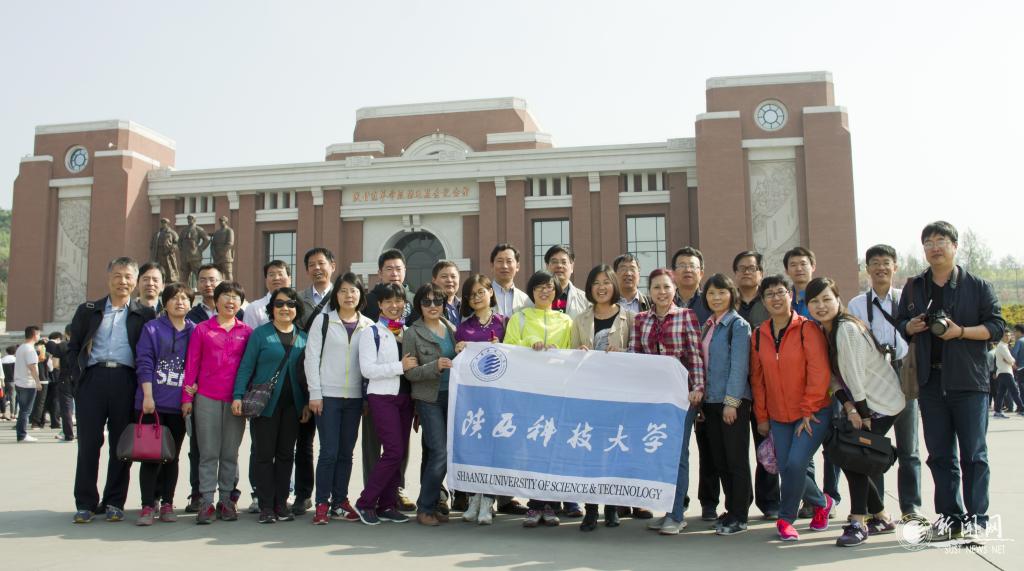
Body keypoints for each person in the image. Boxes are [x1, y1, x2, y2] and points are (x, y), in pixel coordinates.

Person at [896, 221, 1004, 541]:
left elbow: (996, 327)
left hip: (969, 382)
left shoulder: (978, 286)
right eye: (928, 242)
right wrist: (910, 326)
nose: (934, 247)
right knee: (940, 456)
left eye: (940, 240)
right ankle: (949, 520)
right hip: (930, 382)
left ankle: (977, 520)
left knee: (974, 455)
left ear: (955, 246)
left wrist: (961, 332)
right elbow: (901, 324)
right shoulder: (914, 287)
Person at [806, 277, 906, 546]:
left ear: (838, 300)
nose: (821, 305)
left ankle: (858, 522)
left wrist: (862, 414)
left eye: (826, 299)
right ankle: (881, 517)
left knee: (854, 459)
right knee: (851, 457)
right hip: (863, 404)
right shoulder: (825, 331)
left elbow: (856, 377)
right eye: (814, 301)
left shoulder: (846, 329)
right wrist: (850, 406)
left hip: (880, 404)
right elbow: (833, 378)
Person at [67, 257, 157, 523]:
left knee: (121, 444)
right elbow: (73, 347)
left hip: (126, 381)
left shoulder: (143, 314)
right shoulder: (89, 310)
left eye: (128, 277)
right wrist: (77, 378)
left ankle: (114, 502)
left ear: (135, 281)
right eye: (117, 275)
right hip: (93, 380)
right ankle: (85, 503)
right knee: (89, 443)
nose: (123, 281)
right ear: (108, 278)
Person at [749, 274, 834, 542]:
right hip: (778, 415)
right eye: (769, 294)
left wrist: (808, 410)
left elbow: (819, 373)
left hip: (813, 412)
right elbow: (758, 380)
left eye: (780, 292)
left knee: (796, 464)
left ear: (790, 295)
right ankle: (822, 502)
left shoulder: (808, 329)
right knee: (785, 467)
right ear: (763, 301)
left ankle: (786, 519)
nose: (775, 298)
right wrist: (762, 416)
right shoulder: (759, 335)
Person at [847, 245, 923, 519]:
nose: (881, 267)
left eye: (886, 262)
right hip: (874, 379)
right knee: (872, 447)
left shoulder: (909, 300)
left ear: (895, 266)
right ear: (867, 268)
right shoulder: (857, 305)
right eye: (875, 263)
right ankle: (875, 509)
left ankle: (911, 508)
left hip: (904, 374)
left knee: (909, 449)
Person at [632, 268, 705, 536]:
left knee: (678, 455)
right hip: (652, 399)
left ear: (674, 290)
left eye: (666, 287)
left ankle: (677, 514)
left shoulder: (686, 316)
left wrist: (698, 387)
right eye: (656, 287)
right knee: (659, 454)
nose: (662, 292)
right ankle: (665, 510)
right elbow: (634, 357)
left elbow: (695, 355)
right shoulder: (641, 320)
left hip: (681, 397)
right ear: (649, 291)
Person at [233, 287, 310, 524]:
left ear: (297, 308)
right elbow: (246, 366)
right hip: (265, 405)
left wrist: (307, 403)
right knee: (264, 455)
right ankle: (266, 505)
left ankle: (281, 503)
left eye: (290, 304)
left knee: (286, 455)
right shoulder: (260, 334)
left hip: (293, 407)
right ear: (272, 309)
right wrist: (237, 395)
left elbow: (308, 374)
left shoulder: (304, 337)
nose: (285, 308)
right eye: (279, 304)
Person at [505, 270, 575, 527]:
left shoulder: (566, 321)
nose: (545, 291)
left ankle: (551, 505)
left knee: (554, 448)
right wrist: (530, 343)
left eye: (549, 287)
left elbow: (571, 353)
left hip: (556, 393)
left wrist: (559, 354)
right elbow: (509, 348)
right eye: (539, 287)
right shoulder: (519, 318)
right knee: (531, 449)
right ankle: (534, 505)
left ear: (556, 291)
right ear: (531, 291)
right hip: (528, 393)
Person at [569, 264, 637, 531]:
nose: (601, 287)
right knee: (590, 453)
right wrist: (579, 352)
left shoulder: (630, 318)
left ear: (614, 285)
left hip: (618, 396)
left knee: (613, 450)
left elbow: (639, 353)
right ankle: (590, 509)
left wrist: (622, 353)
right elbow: (570, 357)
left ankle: (611, 507)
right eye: (596, 283)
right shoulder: (580, 319)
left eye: (606, 282)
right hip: (589, 395)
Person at [181, 281, 253, 524]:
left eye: (236, 297)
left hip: (235, 401)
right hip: (206, 398)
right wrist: (187, 398)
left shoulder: (247, 332)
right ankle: (206, 502)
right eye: (226, 296)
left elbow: (248, 367)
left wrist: (243, 396)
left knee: (230, 453)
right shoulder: (202, 329)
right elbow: (192, 365)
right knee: (208, 452)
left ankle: (226, 500)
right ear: (216, 299)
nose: (230, 301)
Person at [306, 272, 375, 525]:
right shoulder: (324, 321)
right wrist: (315, 393)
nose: (349, 295)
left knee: (346, 452)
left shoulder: (368, 325)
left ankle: (340, 501)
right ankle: (322, 503)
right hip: (328, 396)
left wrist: (366, 398)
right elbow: (311, 358)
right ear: (336, 295)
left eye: (353, 291)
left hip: (355, 398)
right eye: (343, 291)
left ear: (360, 295)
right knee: (329, 452)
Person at [354, 283, 419, 525]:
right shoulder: (370, 332)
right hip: (382, 397)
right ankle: (365, 502)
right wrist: (399, 367)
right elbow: (367, 369)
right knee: (393, 451)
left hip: (405, 398)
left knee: (398, 453)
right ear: (379, 305)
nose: (394, 306)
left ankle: (387, 505)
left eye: (399, 301)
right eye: (388, 301)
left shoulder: (407, 332)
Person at [784, 246, 841, 516]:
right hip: (800, 383)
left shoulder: (823, 296)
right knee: (803, 444)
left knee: (833, 445)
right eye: (793, 264)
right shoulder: (787, 299)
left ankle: (831, 496)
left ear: (813, 266)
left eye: (803, 263)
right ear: (787, 270)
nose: (798, 268)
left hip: (832, 381)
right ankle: (811, 499)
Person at [133, 283, 196, 526]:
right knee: (150, 457)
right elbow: (145, 361)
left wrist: (190, 395)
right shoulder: (152, 328)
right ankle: (148, 505)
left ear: (190, 304)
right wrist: (147, 396)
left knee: (172, 457)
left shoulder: (194, 330)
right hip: (153, 404)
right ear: (165, 302)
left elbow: (197, 366)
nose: (180, 302)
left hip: (179, 406)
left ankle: (168, 503)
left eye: (185, 298)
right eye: (174, 298)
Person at [698, 274, 753, 535]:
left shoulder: (738, 325)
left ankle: (740, 515)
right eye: (711, 293)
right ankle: (731, 509)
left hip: (732, 403)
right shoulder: (708, 325)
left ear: (732, 294)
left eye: (721, 292)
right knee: (720, 460)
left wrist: (732, 403)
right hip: (711, 401)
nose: (716, 297)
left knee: (736, 460)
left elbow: (739, 367)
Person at [453, 274, 506, 524]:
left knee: (493, 448)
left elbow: (513, 356)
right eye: (471, 295)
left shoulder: (503, 323)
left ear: (490, 292)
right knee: (474, 448)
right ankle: (474, 496)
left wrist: (502, 346)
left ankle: (488, 500)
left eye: (480, 292)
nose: (476, 297)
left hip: (497, 396)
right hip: (472, 398)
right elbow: (459, 363)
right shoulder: (464, 328)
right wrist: (459, 350)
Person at [404, 283, 458, 526]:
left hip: (453, 397)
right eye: (427, 302)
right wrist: (434, 367)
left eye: (438, 301)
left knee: (437, 453)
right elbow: (410, 373)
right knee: (439, 452)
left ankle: (434, 503)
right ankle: (425, 507)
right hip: (429, 399)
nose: (433, 306)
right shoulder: (412, 333)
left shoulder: (451, 328)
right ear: (419, 305)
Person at [292, 247, 337, 516]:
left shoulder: (343, 295)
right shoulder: (298, 300)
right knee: (305, 441)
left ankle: (335, 496)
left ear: (332, 265)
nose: (317, 268)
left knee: (334, 445)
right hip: (307, 375)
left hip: (336, 377)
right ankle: (303, 494)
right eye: (312, 264)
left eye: (322, 263)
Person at [732, 251, 777, 519]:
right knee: (737, 450)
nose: (747, 272)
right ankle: (741, 501)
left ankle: (770, 502)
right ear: (735, 274)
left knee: (766, 445)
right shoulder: (728, 301)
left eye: (752, 268)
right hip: (735, 386)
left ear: (761, 273)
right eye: (742, 268)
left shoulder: (770, 301)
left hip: (766, 386)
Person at [243, 260, 292, 330]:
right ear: (266, 281)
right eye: (271, 275)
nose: (276, 278)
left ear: (290, 279)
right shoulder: (254, 308)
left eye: (280, 274)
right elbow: (250, 335)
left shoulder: (298, 305)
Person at [14, 326, 43, 443]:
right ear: (35, 335)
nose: (40, 336)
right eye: (39, 334)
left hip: (19, 382)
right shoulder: (30, 350)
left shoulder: (21, 348)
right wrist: (38, 382)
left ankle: (21, 433)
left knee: (23, 410)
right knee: (25, 411)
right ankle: (22, 435)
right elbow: (32, 367)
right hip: (28, 383)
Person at [544, 245, 588, 319]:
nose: (559, 265)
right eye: (554, 262)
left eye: (564, 262)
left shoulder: (585, 300)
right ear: (547, 266)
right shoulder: (535, 298)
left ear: (572, 267)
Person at [671, 247, 711, 325]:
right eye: (682, 266)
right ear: (673, 273)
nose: (687, 270)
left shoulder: (710, 302)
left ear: (701, 274)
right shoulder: (665, 302)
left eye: (692, 266)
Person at [490, 243, 531, 319]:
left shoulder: (526, 300)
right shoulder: (481, 296)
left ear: (517, 266)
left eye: (509, 261)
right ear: (492, 265)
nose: (504, 266)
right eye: (500, 261)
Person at [992, 331, 1022, 417]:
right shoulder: (1002, 346)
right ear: (1001, 337)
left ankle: (997, 411)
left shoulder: (1003, 346)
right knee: (1014, 391)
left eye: (1009, 335)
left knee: (1001, 393)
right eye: (1006, 335)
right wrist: (1012, 361)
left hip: (1003, 372)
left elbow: (1009, 360)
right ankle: (1022, 408)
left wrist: (1010, 361)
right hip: (1005, 372)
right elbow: (1010, 359)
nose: (1008, 337)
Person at [2, 346, 16, 421]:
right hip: (12, 381)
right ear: (14, 352)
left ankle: (3, 413)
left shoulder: (2, 359)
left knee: (2, 397)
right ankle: (12, 414)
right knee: (12, 397)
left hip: (3, 381)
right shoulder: (15, 359)